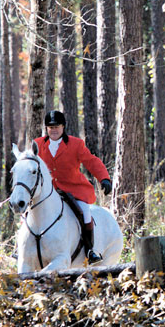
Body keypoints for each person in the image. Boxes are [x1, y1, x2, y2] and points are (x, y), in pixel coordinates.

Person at [33, 110, 112, 263]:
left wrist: (104, 178)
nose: (54, 130)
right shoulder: (37, 144)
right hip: (48, 192)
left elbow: (91, 161)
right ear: (46, 128)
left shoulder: (76, 144)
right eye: (50, 127)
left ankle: (89, 250)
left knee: (85, 212)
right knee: (28, 213)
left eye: (57, 127)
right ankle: (21, 249)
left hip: (73, 190)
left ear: (63, 127)